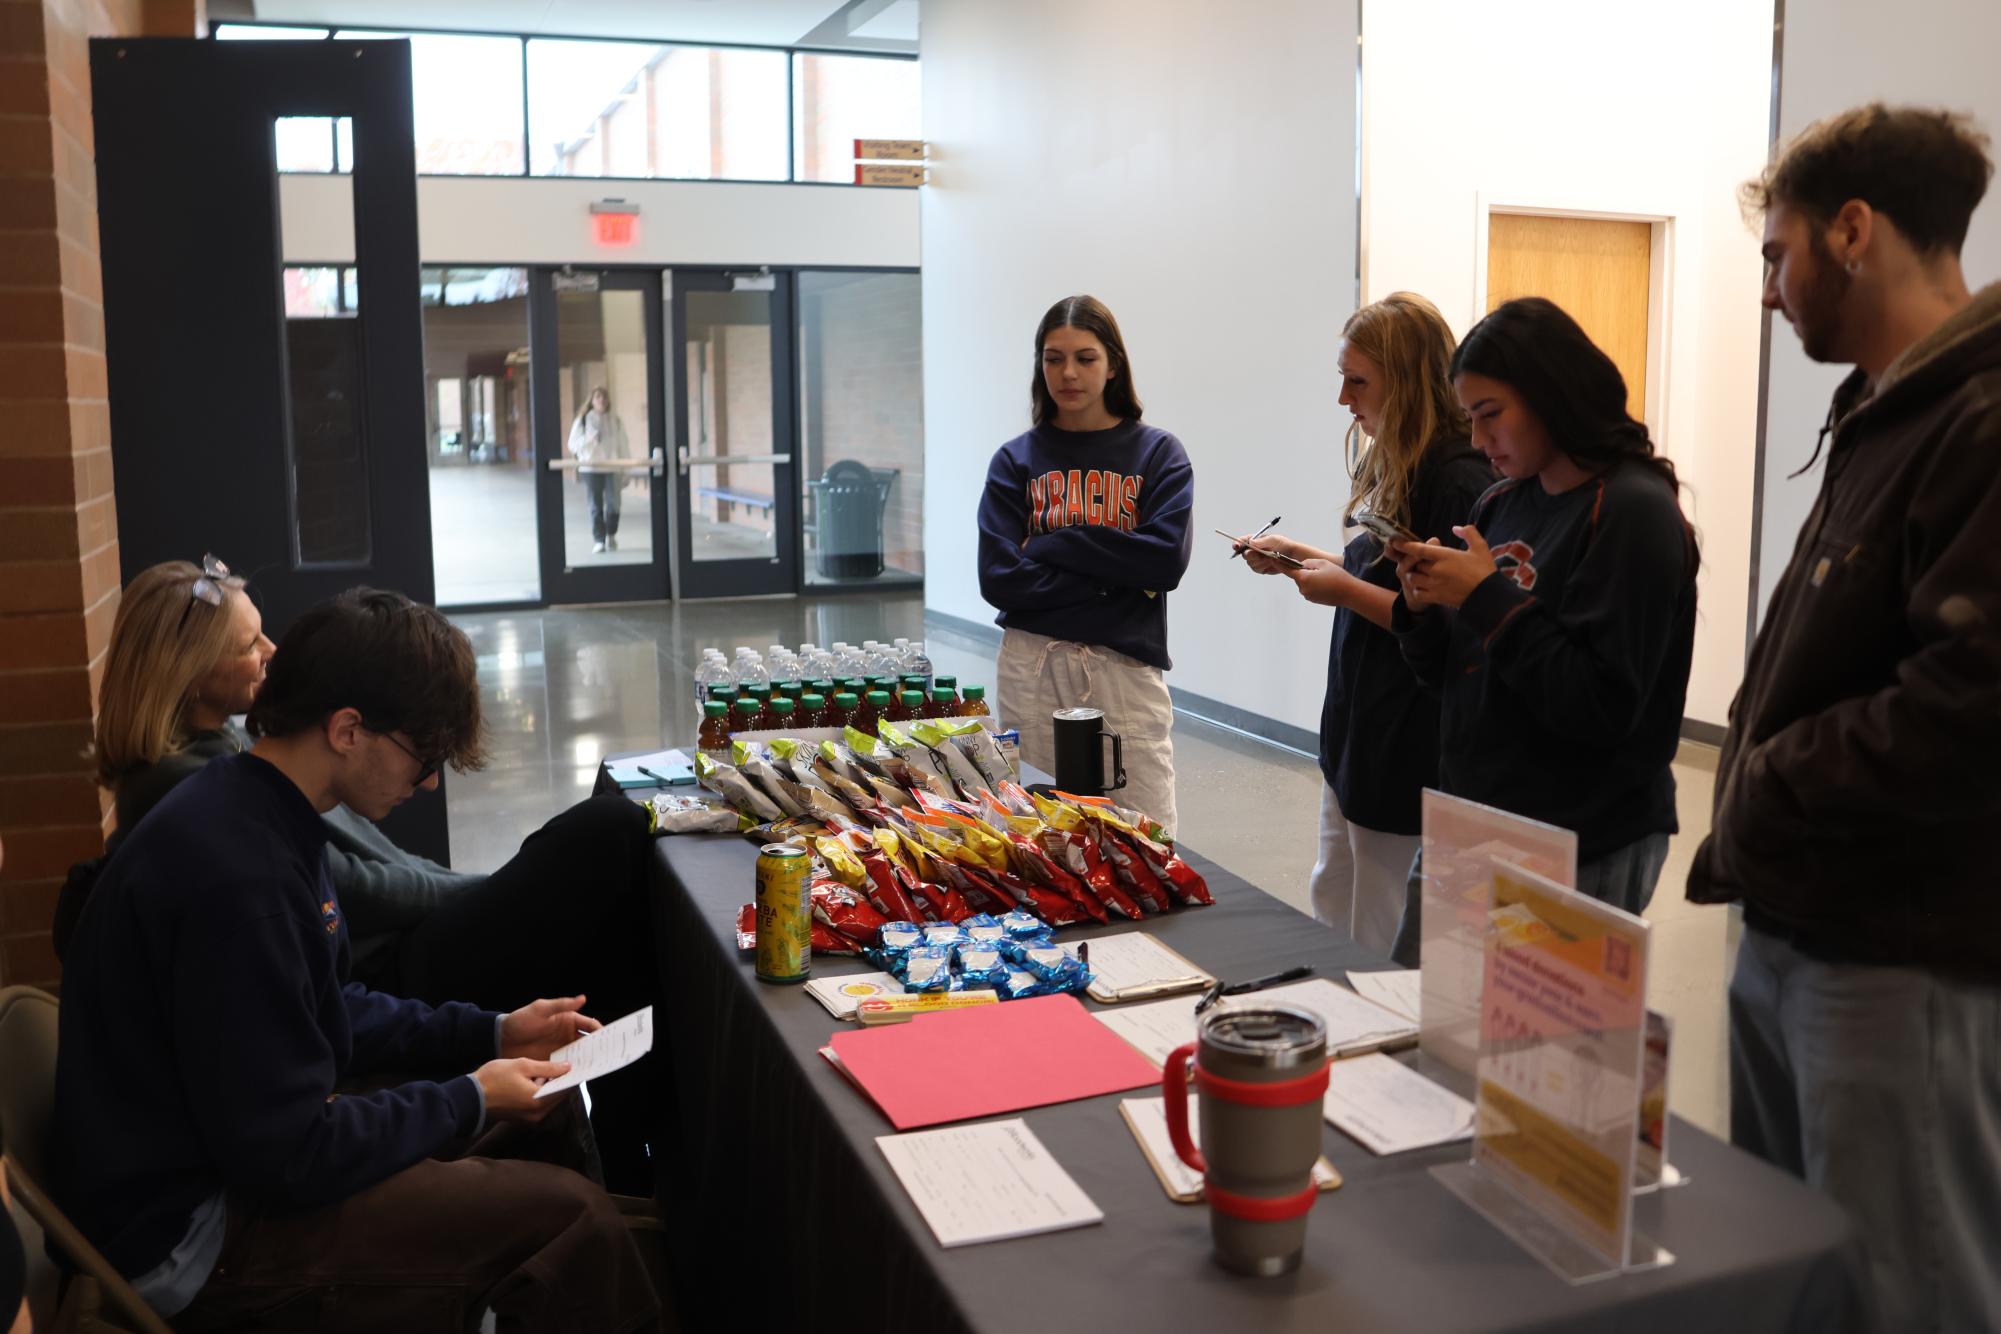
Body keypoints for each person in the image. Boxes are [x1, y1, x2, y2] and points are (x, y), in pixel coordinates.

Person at [52, 587, 661, 1332]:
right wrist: (471, 1093)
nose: (430, 779)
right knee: (573, 1220)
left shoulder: (257, 808)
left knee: (547, 1112)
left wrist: (493, 1034)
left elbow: (330, 1006)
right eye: (424, 755)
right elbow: (290, 1157)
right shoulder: (242, 879)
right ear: (347, 730)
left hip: (234, 1165)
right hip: (196, 1238)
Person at [1690, 104, 2001, 1333]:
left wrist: (1765, 780)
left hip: (1896, 957)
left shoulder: (1981, 418)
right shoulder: (1890, 407)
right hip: (1802, 927)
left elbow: (1969, 707)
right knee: (1806, 1279)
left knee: (1908, 1289)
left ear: (1854, 231)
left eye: (1777, 255)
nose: (1770, 290)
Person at [1390, 297, 1698, 934]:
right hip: (1475, 825)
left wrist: (1483, 597)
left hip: (1580, 838)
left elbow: (1599, 704)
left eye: (1490, 415)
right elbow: (1456, 682)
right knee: (1426, 1024)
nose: (1478, 440)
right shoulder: (1501, 502)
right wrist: (1421, 614)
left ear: (1552, 394)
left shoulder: (1633, 510)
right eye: (1469, 419)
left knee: (1532, 1035)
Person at [1237, 292, 1493, 952]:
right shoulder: (1393, 460)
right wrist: (1299, 555)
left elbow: (1427, 616)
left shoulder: (1454, 478)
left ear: (1403, 382)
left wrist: (1345, 592)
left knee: (1379, 927)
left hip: (1406, 743)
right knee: (1334, 899)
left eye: (1357, 381)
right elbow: (1378, 570)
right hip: (1357, 733)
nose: (1343, 399)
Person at [978, 295, 1194, 835]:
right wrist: (1114, 579)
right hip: (1033, 667)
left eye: (1085, 357)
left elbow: (1163, 561)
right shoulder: (1015, 461)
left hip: (1124, 670)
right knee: (1040, 833)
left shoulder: (1158, 455)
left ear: (1113, 364)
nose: (1068, 372)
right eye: (1053, 358)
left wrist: (1053, 544)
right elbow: (999, 578)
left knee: (1142, 836)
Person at [568, 386, 631, 555]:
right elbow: (572, 445)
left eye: (604, 397)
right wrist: (589, 439)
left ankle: (611, 534)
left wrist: (626, 470)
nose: (601, 400)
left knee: (614, 504)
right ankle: (599, 540)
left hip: (612, 468)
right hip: (591, 468)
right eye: (597, 397)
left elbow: (624, 446)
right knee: (595, 505)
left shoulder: (615, 420)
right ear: (592, 401)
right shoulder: (583, 420)